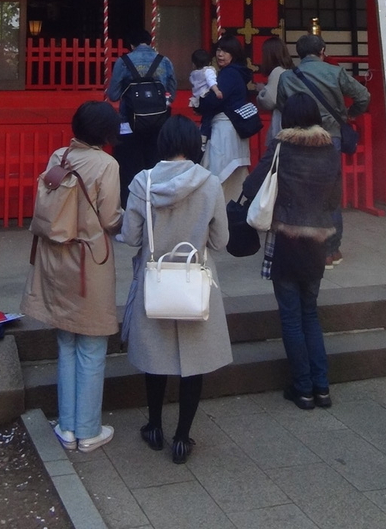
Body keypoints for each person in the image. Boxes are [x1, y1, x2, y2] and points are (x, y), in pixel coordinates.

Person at [120, 114, 232, 462]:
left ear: (164, 143)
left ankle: (154, 426)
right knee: (193, 362)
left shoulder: (143, 182)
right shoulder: (210, 183)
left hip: (155, 279)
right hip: (194, 279)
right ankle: (183, 437)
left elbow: (132, 238)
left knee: (156, 357)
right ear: (193, 144)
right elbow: (220, 240)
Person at [21, 101, 122, 453]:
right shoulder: (106, 164)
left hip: (55, 257)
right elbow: (110, 218)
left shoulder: (59, 156)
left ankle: (66, 426)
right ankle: (88, 429)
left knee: (65, 342)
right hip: (88, 260)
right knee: (92, 344)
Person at [242, 92, 340, 410]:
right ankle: (321, 387)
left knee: (292, 318)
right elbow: (334, 198)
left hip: (285, 239)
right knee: (311, 313)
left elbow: (253, 184)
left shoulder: (282, 147)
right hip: (317, 240)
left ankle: (303, 389)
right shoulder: (329, 149)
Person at [277, 34, 370, 267]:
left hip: (297, 139)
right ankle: (330, 250)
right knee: (330, 194)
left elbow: (282, 106)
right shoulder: (335, 72)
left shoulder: (287, 77)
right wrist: (350, 115)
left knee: (297, 193)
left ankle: (302, 247)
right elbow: (363, 96)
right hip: (330, 138)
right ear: (323, 50)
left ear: (298, 54)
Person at [107, 30, 177, 205]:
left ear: (131, 45)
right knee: (156, 166)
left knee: (129, 167)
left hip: (129, 122)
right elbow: (172, 94)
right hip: (159, 123)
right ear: (150, 42)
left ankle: (130, 206)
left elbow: (114, 95)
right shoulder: (165, 61)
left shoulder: (124, 62)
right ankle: (157, 204)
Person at [198, 35, 254, 202]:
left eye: (226, 51)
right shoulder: (237, 73)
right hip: (234, 130)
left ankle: (217, 215)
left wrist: (198, 103)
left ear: (234, 54)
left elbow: (215, 100)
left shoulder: (229, 74)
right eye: (219, 50)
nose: (220, 54)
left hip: (224, 130)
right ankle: (235, 215)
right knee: (235, 179)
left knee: (216, 174)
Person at [256, 36, 293, 145]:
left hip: (281, 121)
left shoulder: (277, 72)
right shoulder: (289, 70)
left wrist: (262, 91)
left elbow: (269, 101)